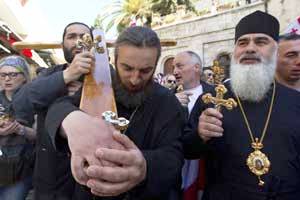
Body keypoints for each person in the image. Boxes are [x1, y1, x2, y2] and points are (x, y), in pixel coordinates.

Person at [44, 26, 185, 200]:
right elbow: (59, 107)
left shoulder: (167, 102)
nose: (134, 79)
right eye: (127, 68)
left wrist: (144, 166)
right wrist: (70, 120)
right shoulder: (99, 88)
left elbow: (173, 155)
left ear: (155, 66)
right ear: (115, 61)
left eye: (145, 71)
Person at [183, 10, 300, 200]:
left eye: (261, 42)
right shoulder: (212, 99)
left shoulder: (295, 102)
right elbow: (187, 150)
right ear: (235, 51)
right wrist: (200, 135)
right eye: (242, 42)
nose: (250, 48)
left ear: (276, 50)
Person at [12, 22, 94, 200]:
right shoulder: (50, 74)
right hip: (50, 180)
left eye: (84, 37)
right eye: (71, 37)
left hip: (91, 181)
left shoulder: (104, 75)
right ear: (63, 44)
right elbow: (20, 103)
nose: (78, 42)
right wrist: (66, 76)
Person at [173, 51, 212, 200]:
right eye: (173, 67)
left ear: (196, 67)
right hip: (175, 168)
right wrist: (170, 103)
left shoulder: (216, 94)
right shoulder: (165, 96)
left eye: (179, 66)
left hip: (204, 168)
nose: (175, 71)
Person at [0, 55, 36, 200]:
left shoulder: (34, 99)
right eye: (3, 75)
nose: (7, 79)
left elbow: (39, 135)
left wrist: (20, 129)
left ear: (24, 77)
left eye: (13, 74)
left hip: (20, 169)